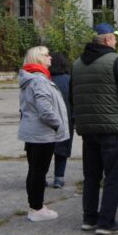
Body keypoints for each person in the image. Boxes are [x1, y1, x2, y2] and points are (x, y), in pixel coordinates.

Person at [72, 22, 118, 235]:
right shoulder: (115, 60)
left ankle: (89, 218)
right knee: (114, 174)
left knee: (91, 175)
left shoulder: (77, 64)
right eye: (115, 38)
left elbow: (71, 96)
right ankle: (106, 222)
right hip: (113, 127)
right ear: (108, 40)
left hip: (88, 128)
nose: (117, 41)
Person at [19, 46, 70, 222]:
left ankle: (35, 205)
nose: (51, 58)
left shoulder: (32, 78)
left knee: (35, 171)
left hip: (34, 132)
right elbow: (45, 109)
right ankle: (37, 209)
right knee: (39, 172)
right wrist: (57, 125)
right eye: (47, 55)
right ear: (39, 58)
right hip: (42, 134)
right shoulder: (39, 80)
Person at [49, 52, 74, 189]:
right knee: (62, 149)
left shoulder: (46, 79)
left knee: (46, 149)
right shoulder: (69, 79)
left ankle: (41, 177)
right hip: (65, 119)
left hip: (47, 120)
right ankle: (59, 178)